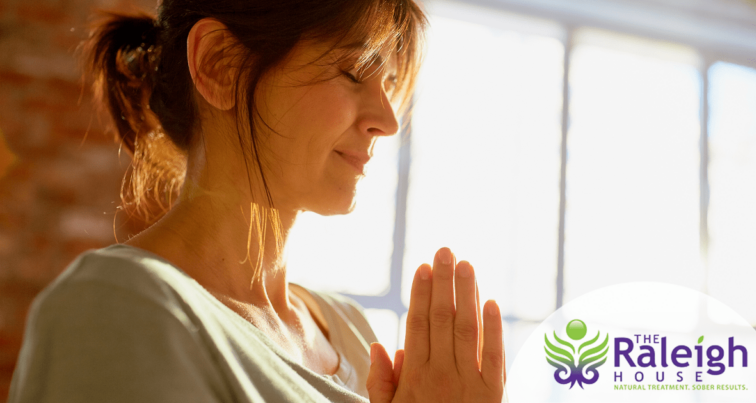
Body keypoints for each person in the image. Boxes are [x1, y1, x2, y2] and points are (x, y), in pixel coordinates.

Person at [8, 0, 506, 401]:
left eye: (391, 83)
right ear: (219, 65)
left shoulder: (351, 331)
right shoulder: (116, 306)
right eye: (355, 71)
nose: (388, 119)